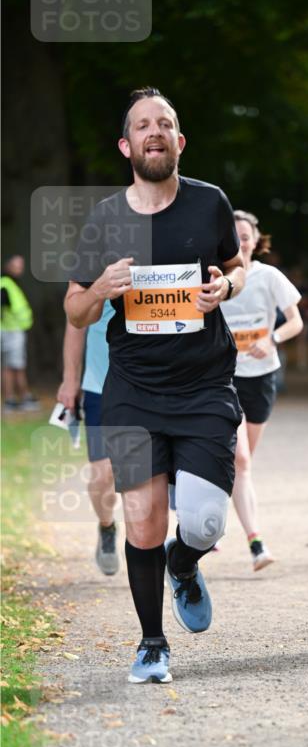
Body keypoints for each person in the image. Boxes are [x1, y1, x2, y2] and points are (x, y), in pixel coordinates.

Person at [64, 86, 245, 685]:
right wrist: (99, 291)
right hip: (134, 390)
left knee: (204, 524)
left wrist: (228, 287)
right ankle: (151, 643)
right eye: (143, 125)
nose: (154, 132)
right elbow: (74, 311)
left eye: (165, 123)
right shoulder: (105, 219)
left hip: (204, 386)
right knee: (141, 517)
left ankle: (185, 565)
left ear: (179, 140)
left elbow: (236, 266)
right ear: (126, 144)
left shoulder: (209, 203)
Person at [221, 210, 303, 570]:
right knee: (240, 460)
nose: (240, 240)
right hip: (225, 378)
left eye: (245, 234)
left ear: (256, 239)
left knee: (241, 464)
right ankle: (256, 543)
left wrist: (272, 339)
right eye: (233, 234)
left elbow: (296, 321)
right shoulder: (216, 278)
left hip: (261, 377)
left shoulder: (270, 277)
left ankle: (212, 516)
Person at [57, 304, 120, 574]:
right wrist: (70, 380)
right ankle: (107, 526)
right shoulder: (95, 265)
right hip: (99, 387)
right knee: (103, 475)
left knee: (151, 476)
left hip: (150, 385)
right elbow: (75, 321)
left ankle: (152, 553)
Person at [1, 255, 40, 412]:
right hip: (10, 332)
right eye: (16, 265)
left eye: (21, 265)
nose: (20, 268)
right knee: (15, 366)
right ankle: (20, 398)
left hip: (13, 330)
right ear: (8, 265)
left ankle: (14, 398)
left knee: (10, 366)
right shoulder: (6, 284)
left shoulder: (11, 283)